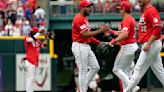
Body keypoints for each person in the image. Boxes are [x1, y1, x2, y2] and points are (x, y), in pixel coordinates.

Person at [124, 0, 164, 92]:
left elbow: (158, 27)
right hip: (152, 44)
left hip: (151, 44)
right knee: (160, 72)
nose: (139, 0)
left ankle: (127, 90)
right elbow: (149, 28)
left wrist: (149, 43)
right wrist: (140, 29)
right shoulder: (145, 11)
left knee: (138, 69)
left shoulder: (150, 10)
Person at [71, 0, 109, 92]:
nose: (89, 9)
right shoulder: (78, 18)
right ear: (82, 7)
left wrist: (99, 43)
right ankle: (82, 90)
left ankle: (82, 87)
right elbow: (85, 34)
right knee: (83, 70)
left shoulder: (85, 19)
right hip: (79, 46)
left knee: (95, 67)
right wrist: (100, 31)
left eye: (90, 7)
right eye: (87, 7)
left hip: (86, 46)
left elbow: (89, 36)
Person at [107, 1, 139, 92]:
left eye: (120, 9)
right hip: (132, 46)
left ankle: (131, 86)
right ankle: (127, 89)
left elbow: (124, 35)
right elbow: (122, 33)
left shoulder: (127, 19)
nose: (119, 11)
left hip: (127, 47)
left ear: (124, 9)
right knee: (124, 71)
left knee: (116, 69)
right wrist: (110, 31)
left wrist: (113, 41)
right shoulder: (130, 18)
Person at [24, 27, 48, 92]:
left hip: (35, 62)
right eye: (33, 32)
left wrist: (46, 38)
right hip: (29, 60)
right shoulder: (27, 38)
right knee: (30, 78)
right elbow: (31, 39)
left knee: (33, 78)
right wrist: (39, 33)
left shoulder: (37, 41)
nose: (32, 33)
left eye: (33, 32)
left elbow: (44, 46)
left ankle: (30, 90)